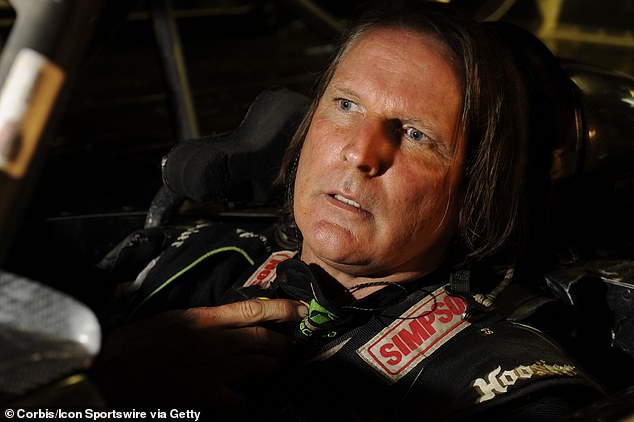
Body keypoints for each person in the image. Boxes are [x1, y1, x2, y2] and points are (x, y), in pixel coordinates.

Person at [91, 1, 605, 420]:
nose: (361, 152)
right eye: (346, 106)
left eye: (416, 134)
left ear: (477, 189)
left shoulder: (496, 380)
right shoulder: (190, 260)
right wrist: (97, 393)